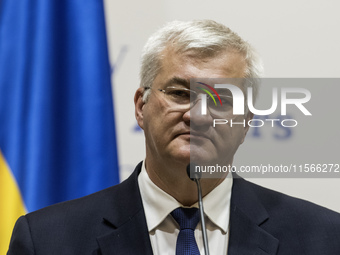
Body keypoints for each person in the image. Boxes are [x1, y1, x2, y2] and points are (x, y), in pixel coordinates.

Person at [7, 20, 340, 255]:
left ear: (246, 123)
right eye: (180, 93)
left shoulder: (323, 237)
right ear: (141, 106)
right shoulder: (47, 241)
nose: (196, 115)